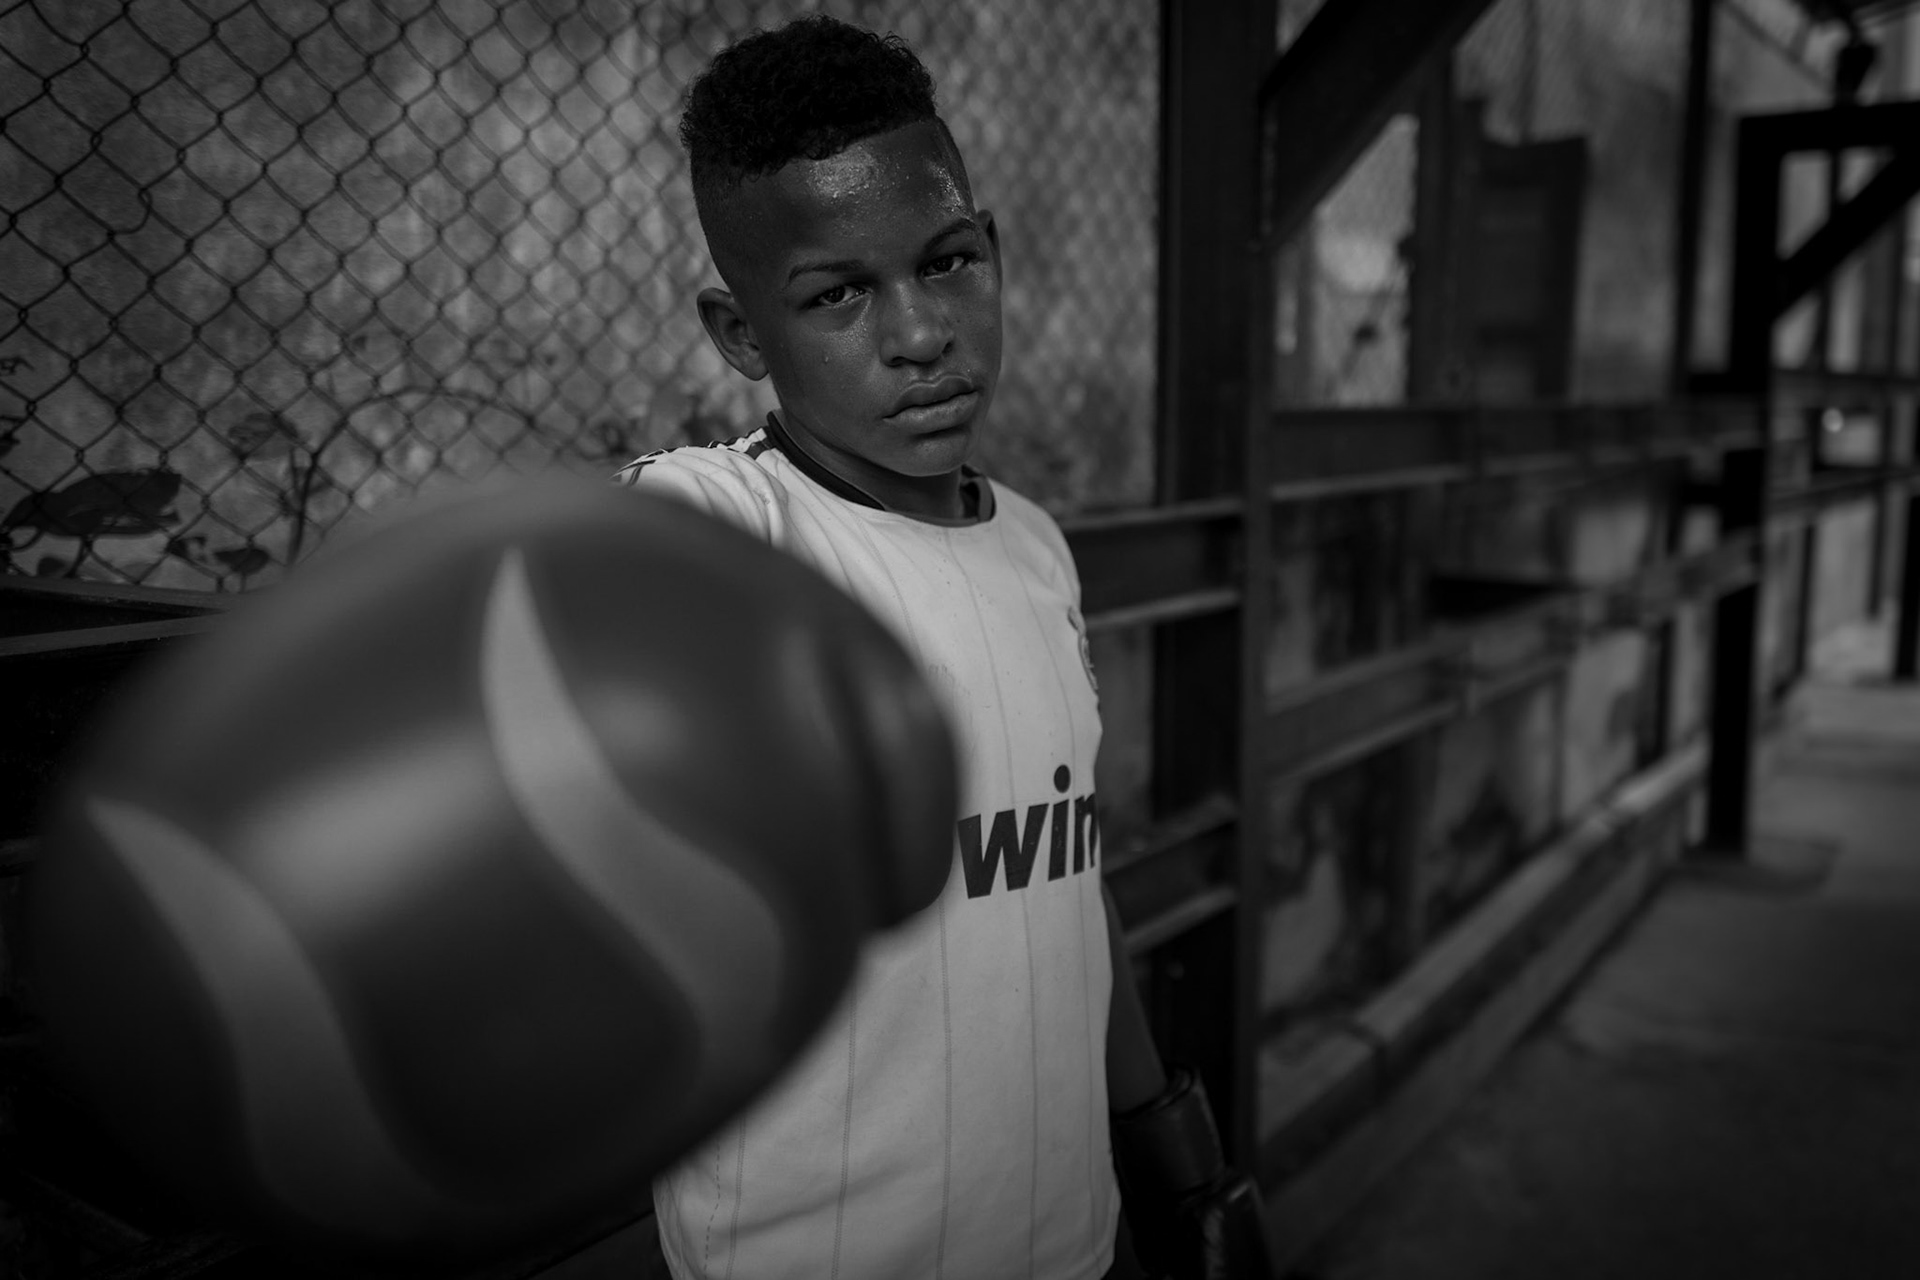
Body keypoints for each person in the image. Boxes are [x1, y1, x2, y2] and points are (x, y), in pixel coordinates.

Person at [616, 16, 1269, 1280]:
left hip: (1066, 1243)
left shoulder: (1034, 549)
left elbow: (1070, 888)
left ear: (992, 252)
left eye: (947, 261)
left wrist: (1169, 1155)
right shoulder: (718, 525)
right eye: (837, 294)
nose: (919, 334)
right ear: (741, 334)